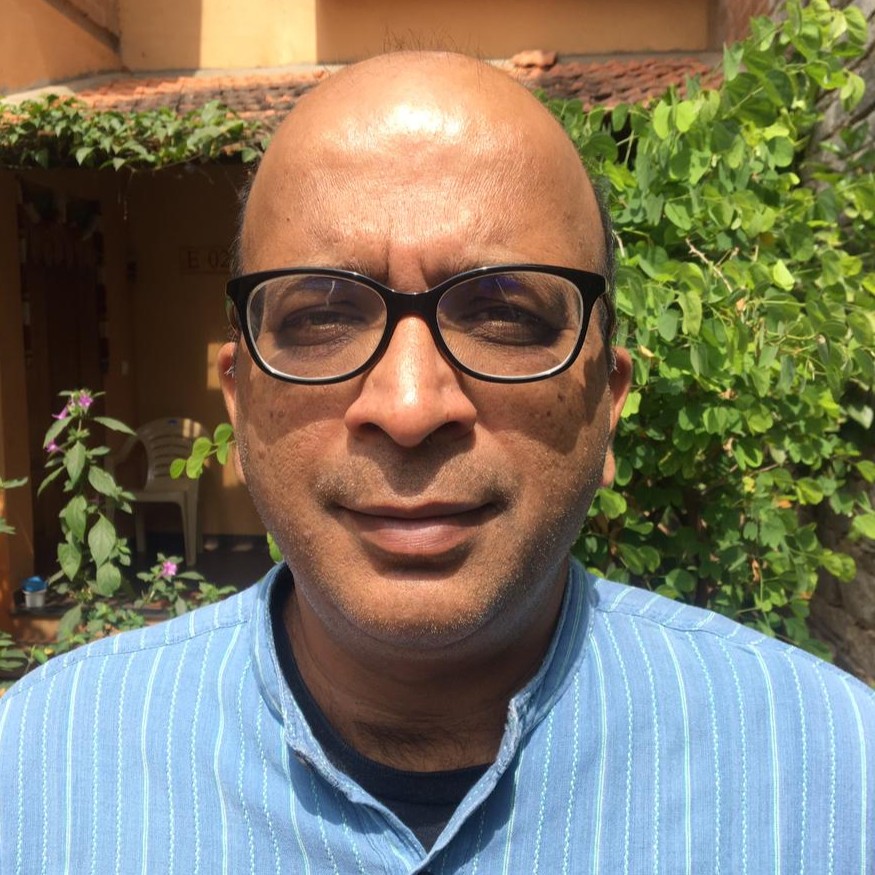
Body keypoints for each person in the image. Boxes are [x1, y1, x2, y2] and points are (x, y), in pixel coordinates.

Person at [0, 51, 872, 874]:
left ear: (606, 403)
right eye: (320, 317)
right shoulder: (45, 765)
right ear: (240, 399)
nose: (410, 407)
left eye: (504, 315)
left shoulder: (828, 773)